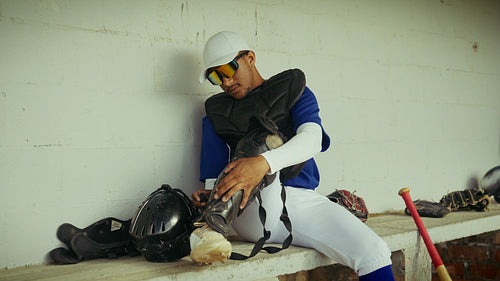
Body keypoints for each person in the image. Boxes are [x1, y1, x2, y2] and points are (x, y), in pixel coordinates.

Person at [191, 31, 395, 281]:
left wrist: (264, 164)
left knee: (374, 253)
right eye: (215, 76)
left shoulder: (293, 90)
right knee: (257, 143)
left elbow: (313, 139)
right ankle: (207, 233)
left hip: (302, 203)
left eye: (227, 68)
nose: (225, 81)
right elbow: (214, 180)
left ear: (250, 58)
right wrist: (210, 195)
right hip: (250, 208)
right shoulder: (217, 115)